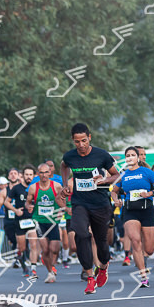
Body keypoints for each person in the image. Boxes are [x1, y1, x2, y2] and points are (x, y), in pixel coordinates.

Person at [59, 123, 120, 295]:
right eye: (77, 142)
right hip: (80, 203)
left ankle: (103, 268)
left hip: (100, 204)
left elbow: (117, 175)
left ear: (89, 137)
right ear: (73, 141)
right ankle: (90, 277)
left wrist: (105, 180)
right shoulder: (70, 156)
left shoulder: (101, 155)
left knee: (101, 242)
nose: (81, 145)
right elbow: (63, 166)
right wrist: (65, 185)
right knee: (81, 234)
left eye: (84, 141)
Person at [111, 148, 154, 288]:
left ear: (137, 158)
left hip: (147, 210)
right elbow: (114, 192)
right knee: (135, 241)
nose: (130, 157)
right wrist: (116, 200)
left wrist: (150, 193)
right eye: (127, 155)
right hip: (130, 211)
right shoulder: (123, 175)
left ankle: (142, 258)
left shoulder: (146, 172)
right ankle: (143, 276)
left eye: (132, 155)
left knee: (150, 249)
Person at [26, 163, 64, 283]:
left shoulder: (56, 186)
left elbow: (63, 200)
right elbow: (27, 202)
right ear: (38, 174)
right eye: (41, 173)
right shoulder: (33, 187)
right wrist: (29, 206)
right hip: (39, 221)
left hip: (53, 221)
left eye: (46, 172)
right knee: (45, 249)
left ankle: (52, 265)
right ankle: (50, 272)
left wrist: (61, 210)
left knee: (54, 249)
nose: (44, 175)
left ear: (50, 173)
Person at [4, 165, 36, 277]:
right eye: (26, 174)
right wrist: (16, 210)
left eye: (30, 175)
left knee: (33, 245)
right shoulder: (16, 188)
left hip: (32, 220)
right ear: (22, 175)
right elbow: (6, 202)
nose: (28, 177)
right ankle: (24, 267)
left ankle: (33, 268)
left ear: (34, 176)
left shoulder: (36, 187)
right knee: (22, 248)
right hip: (20, 221)